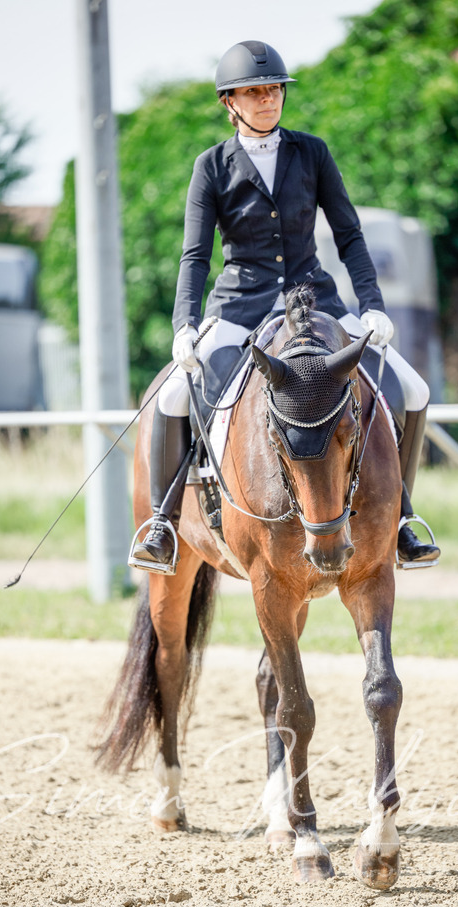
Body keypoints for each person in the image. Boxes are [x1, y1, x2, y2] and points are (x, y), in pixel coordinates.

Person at [130, 39, 439, 573]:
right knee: (173, 396)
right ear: (230, 102)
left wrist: (371, 305)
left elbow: (349, 235)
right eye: (255, 92)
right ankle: (161, 522)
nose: (268, 100)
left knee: (413, 388)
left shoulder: (311, 152)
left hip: (314, 298)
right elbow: (195, 256)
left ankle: (402, 518)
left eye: (273, 89)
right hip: (239, 308)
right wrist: (185, 325)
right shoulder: (211, 167)